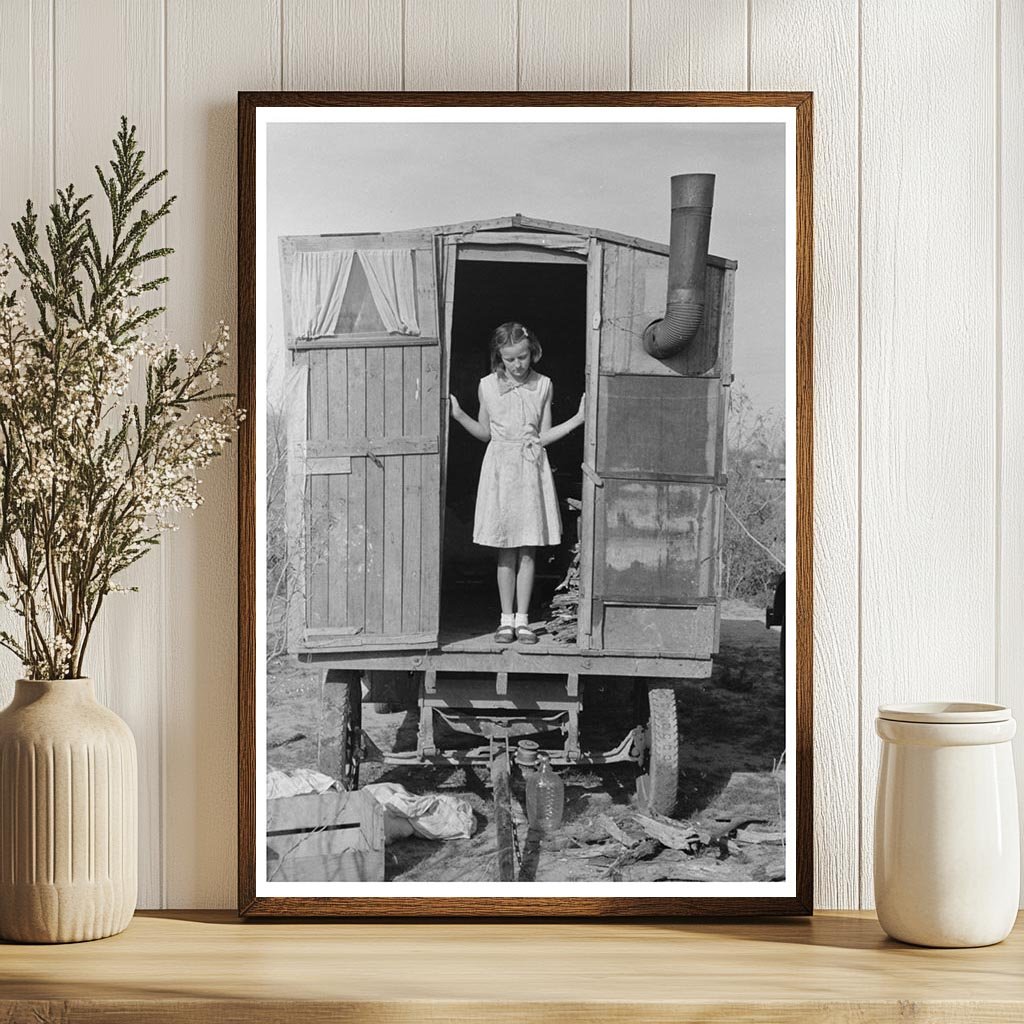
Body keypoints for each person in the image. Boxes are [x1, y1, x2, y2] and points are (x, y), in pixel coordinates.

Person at [449, 322, 585, 644]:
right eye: (510, 359)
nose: (517, 365)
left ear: (532, 351)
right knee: (505, 550)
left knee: (527, 550)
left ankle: (523, 619)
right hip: (500, 472)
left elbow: (544, 436)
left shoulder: (544, 385)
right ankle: (504, 619)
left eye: (523, 357)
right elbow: (485, 433)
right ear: (499, 357)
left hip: (530, 469)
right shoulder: (486, 386)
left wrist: (577, 420)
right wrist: (459, 416)